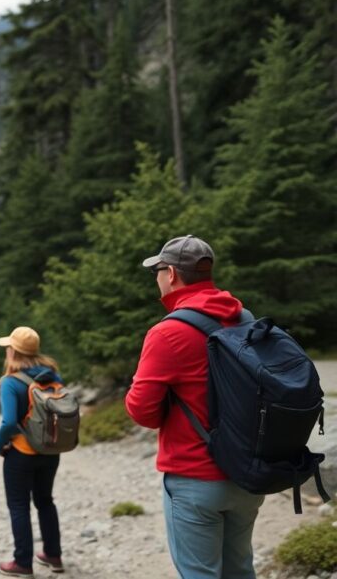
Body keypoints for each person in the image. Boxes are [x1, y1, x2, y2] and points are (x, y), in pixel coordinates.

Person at [126, 235, 264, 579]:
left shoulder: (168, 332)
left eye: (157, 270)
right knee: (240, 570)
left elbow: (141, 410)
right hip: (249, 472)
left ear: (171, 274)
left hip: (194, 476)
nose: (157, 278)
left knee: (200, 574)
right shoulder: (245, 318)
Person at [0, 326, 65, 577]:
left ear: (13, 351)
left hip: (21, 453)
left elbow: (9, 422)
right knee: (45, 501)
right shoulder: (53, 375)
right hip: (50, 450)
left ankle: (22, 563)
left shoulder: (11, 382)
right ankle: (53, 555)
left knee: (19, 505)